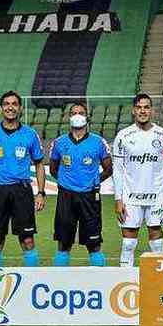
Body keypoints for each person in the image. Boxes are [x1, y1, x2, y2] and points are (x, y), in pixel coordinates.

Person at [0, 91, 46, 268]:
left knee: (28, 240)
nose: (10, 107)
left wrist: (40, 193)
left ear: (20, 108)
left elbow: (39, 165)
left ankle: (32, 281)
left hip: (21, 191)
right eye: (6, 104)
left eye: (14, 104)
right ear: (1, 108)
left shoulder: (30, 134)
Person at [112, 94, 163, 267]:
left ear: (152, 110)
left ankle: (159, 280)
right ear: (133, 110)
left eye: (146, 107)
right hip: (130, 197)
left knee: (157, 241)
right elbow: (117, 170)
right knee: (128, 243)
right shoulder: (123, 136)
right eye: (139, 107)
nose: (143, 111)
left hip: (157, 197)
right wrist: (118, 199)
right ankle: (125, 279)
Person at [50, 102, 113, 267]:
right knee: (63, 243)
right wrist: (66, 182)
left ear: (87, 117)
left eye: (81, 112)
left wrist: (92, 182)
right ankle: (59, 281)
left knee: (94, 244)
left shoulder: (98, 142)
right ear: (69, 117)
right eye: (74, 112)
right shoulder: (59, 142)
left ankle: (99, 283)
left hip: (90, 196)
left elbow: (108, 169)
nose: (77, 115)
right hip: (66, 196)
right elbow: (53, 169)